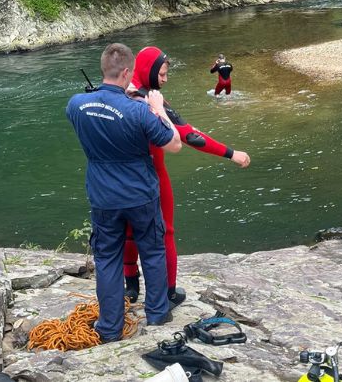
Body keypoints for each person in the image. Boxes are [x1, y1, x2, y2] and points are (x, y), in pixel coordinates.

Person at [66, 43, 182, 342]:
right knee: (153, 252)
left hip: (103, 196)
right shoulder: (139, 111)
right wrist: (158, 110)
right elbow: (174, 143)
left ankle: (109, 327)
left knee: (107, 260)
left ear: (103, 69)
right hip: (141, 194)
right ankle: (157, 314)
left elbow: (97, 116)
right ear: (128, 72)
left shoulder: (76, 104)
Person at [123, 46, 251, 306]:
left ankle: (131, 286)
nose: (165, 80)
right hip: (153, 176)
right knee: (165, 233)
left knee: (128, 232)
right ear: (148, 70)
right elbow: (188, 136)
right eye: (162, 74)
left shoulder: (120, 91)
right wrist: (231, 153)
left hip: (121, 177)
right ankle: (169, 293)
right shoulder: (148, 98)